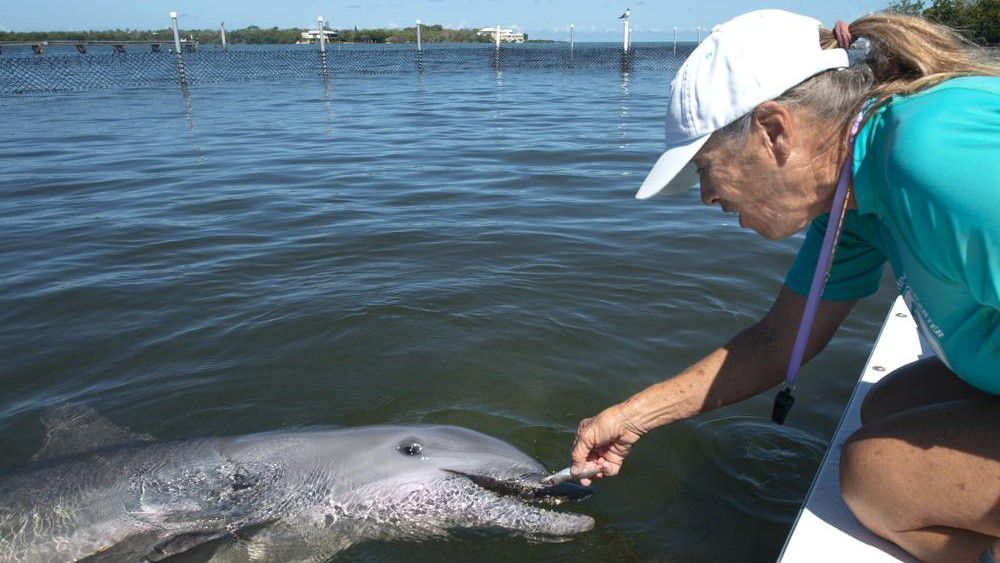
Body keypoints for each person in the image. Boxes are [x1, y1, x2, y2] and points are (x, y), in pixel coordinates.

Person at [570, 9, 999, 563]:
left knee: (877, 477)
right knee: (892, 404)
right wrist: (632, 418)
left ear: (774, 131)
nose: (706, 197)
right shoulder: (852, 197)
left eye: (705, 168)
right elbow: (779, 339)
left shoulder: (935, 158)